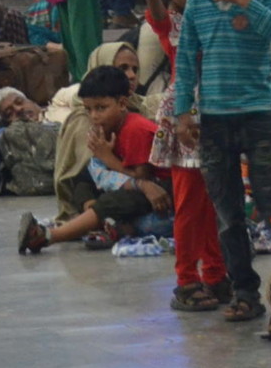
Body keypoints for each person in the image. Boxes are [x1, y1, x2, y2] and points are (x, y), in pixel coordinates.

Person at [172, 0, 271, 323]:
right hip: (214, 120)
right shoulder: (198, 0)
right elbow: (186, 57)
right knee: (227, 213)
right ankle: (245, 292)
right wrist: (182, 112)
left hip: (258, 116)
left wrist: (245, 1)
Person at [139, 0, 225, 311]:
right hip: (184, 119)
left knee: (212, 204)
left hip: (214, 114)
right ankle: (186, 279)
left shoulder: (211, 15)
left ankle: (217, 275)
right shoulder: (169, 22)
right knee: (190, 205)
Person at [17, 63, 169, 253]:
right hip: (133, 183)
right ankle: (98, 220)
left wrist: (107, 158)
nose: (94, 116)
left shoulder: (135, 129)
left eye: (101, 108)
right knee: (82, 179)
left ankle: (47, 236)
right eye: (89, 109)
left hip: (160, 189)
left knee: (116, 201)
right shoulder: (110, 127)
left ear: (122, 104)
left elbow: (143, 178)